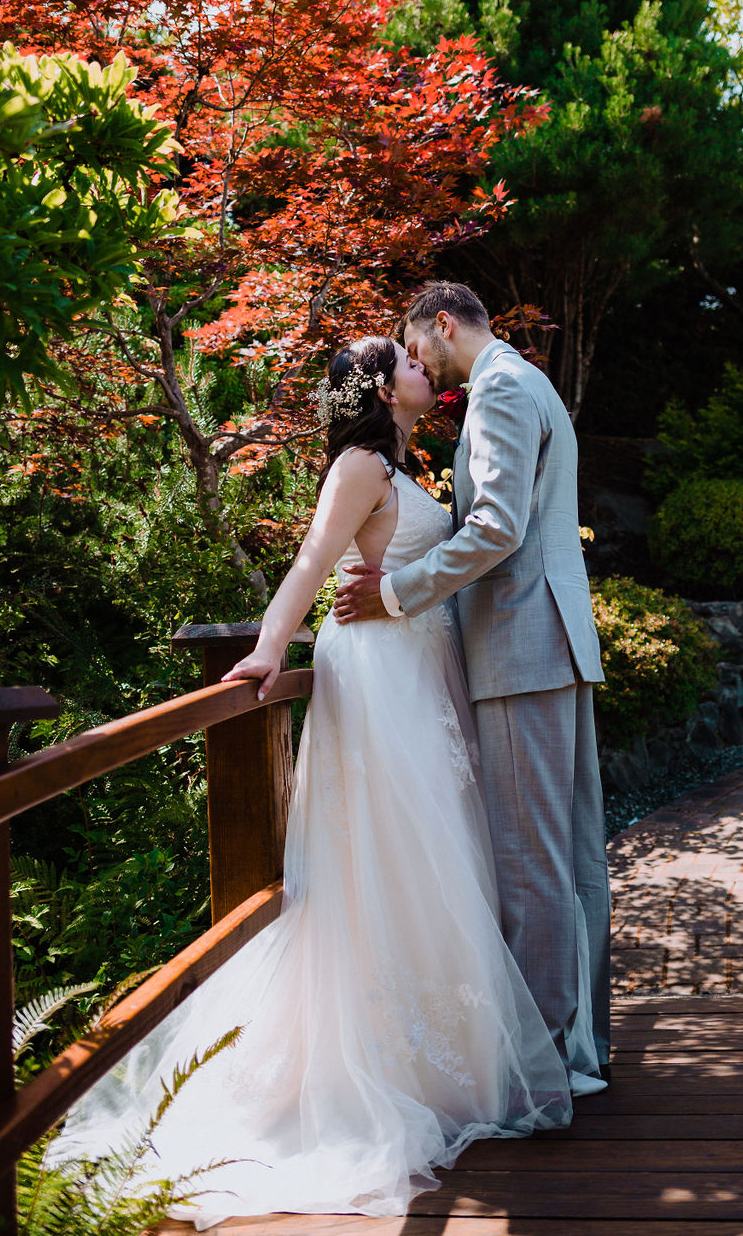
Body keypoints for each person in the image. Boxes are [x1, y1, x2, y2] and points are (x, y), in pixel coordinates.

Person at [48, 335, 572, 1228]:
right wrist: (264, 650)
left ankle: (444, 1059)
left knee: (435, 853)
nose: (422, 369)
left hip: (418, 673)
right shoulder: (360, 465)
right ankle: (384, 1062)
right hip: (374, 678)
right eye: (407, 361)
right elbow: (311, 560)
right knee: (390, 855)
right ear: (379, 386)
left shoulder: (402, 465)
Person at [334, 282, 611, 1092]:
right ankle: (580, 1047)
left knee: (531, 862)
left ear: (444, 325)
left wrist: (393, 592)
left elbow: (496, 526)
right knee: (567, 859)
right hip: (550, 643)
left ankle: (547, 1059)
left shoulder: (498, 390)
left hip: (524, 646)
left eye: (417, 348)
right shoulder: (529, 383)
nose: (417, 364)